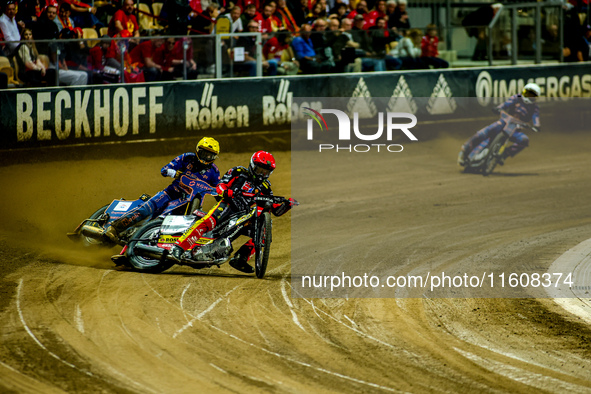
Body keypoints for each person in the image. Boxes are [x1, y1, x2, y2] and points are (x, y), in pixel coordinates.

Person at [169, 151, 296, 274]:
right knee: (209, 221)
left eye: (266, 172)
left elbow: (275, 209)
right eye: (259, 170)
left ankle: (241, 258)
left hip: (243, 216)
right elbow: (220, 185)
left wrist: (287, 205)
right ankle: (178, 247)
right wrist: (226, 191)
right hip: (227, 205)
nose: (262, 175)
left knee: (263, 232)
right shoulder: (238, 172)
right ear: (252, 166)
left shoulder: (265, 186)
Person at [105, 137, 221, 243]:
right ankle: (114, 228)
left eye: (209, 155)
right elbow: (164, 169)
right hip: (170, 193)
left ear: (214, 157)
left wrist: (224, 199)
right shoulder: (187, 158)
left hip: (189, 204)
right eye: (203, 153)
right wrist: (175, 173)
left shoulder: (214, 172)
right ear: (197, 150)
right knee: (145, 210)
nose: (206, 157)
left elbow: (219, 191)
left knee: (182, 227)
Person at [458, 83, 541, 167]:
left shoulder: (534, 107)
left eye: (532, 96)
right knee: (482, 133)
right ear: (524, 92)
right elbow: (506, 104)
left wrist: (536, 125)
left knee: (524, 140)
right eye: (529, 94)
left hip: (515, 131)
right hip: (503, 123)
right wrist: (499, 108)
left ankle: (504, 155)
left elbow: (536, 117)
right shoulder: (517, 97)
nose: (530, 97)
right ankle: (464, 151)